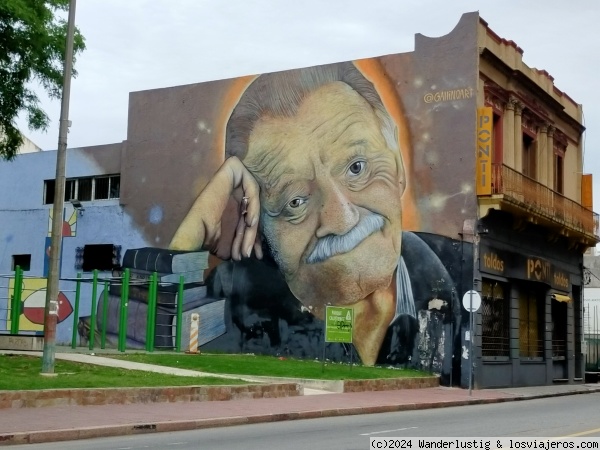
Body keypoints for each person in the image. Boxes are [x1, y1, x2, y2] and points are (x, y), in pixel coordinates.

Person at [170, 61, 459, 368]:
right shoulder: (224, 302)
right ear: (258, 227)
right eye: (295, 201)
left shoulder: (463, 270)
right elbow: (148, 331)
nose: (341, 219)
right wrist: (191, 236)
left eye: (357, 167)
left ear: (398, 165)